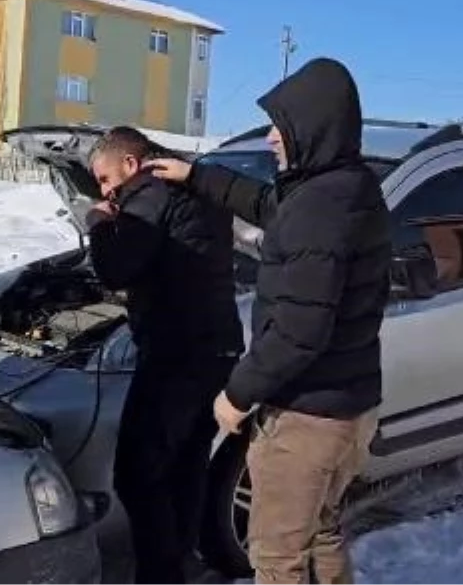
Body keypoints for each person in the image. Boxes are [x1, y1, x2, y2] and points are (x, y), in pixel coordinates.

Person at [146, 57, 392, 584]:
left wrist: (237, 394)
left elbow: (299, 332)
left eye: (281, 127)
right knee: (322, 531)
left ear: (313, 126)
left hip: (306, 417)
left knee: (277, 558)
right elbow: (264, 202)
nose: (271, 140)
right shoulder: (344, 189)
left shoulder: (319, 209)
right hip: (348, 407)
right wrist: (196, 176)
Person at [84, 126, 244, 584]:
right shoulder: (189, 184)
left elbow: (115, 268)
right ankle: (182, 559)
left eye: (104, 178)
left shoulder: (149, 192)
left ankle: (161, 575)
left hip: (178, 356)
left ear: (130, 165)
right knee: (186, 463)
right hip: (216, 347)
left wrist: (98, 222)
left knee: (137, 474)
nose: (105, 189)